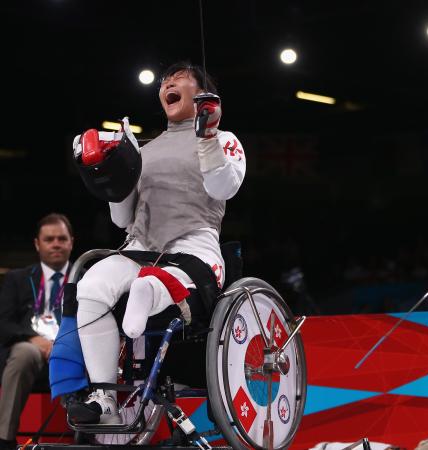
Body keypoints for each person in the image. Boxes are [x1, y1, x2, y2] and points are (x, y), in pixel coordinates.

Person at [66, 62, 246, 424]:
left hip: (193, 247)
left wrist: (207, 137)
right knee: (90, 286)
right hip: (140, 246)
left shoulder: (223, 139)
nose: (169, 84)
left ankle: (150, 288)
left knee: (150, 282)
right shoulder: (145, 150)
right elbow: (121, 219)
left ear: (201, 94)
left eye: (179, 79)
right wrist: (111, 171)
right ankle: (104, 398)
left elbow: (223, 188)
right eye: (165, 82)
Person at [0, 213, 75, 449]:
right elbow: (3, 322)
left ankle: (83, 437)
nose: (55, 244)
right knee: (23, 354)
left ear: (71, 242)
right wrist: (35, 340)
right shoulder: (17, 278)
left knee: (77, 356)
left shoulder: (84, 278)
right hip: (29, 348)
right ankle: (5, 440)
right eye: (49, 239)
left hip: (70, 348)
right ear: (37, 243)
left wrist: (63, 344)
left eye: (61, 239)